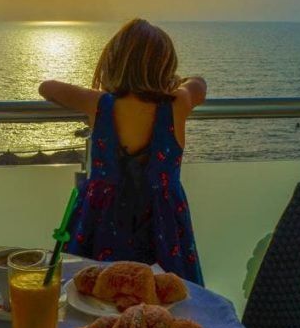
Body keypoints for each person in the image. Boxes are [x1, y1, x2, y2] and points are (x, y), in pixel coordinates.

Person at [38, 19, 206, 285]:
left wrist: (98, 91)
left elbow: (46, 87)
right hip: (163, 222)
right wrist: (178, 84)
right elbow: (200, 84)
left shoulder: (98, 103)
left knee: (94, 287)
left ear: (114, 63)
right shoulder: (178, 103)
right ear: (166, 66)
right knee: (166, 291)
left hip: (103, 217)